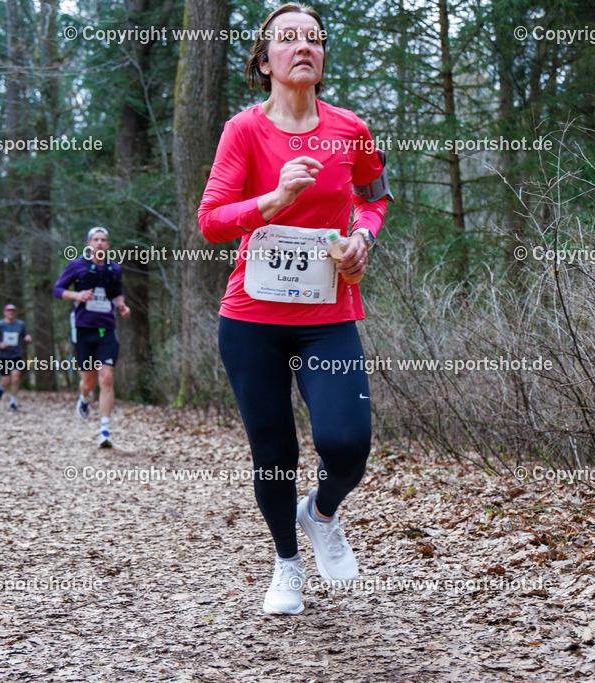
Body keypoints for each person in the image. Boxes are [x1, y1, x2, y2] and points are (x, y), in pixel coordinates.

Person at [198, 3, 391, 615]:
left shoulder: (350, 129)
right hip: (251, 321)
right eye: (288, 38)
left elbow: (374, 198)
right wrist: (273, 199)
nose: (304, 46)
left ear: (322, 56)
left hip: (327, 316)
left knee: (347, 442)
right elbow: (210, 221)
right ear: (265, 61)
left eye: (314, 38)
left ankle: (322, 514)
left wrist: (362, 238)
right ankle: (286, 564)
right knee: (274, 452)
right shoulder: (243, 130)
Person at [53, 227, 130, 447]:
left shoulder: (114, 268)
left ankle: (104, 431)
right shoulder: (77, 265)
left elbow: (117, 293)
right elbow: (57, 290)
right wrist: (77, 294)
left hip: (105, 329)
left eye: (103, 240)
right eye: (95, 239)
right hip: (83, 329)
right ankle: (85, 398)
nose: (100, 243)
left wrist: (122, 306)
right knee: (89, 381)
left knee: (106, 378)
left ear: (108, 244)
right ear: (89, 244)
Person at [0, 304, 31, 411]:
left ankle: (12, 402)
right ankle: (1, 388)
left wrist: (27, 337)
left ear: (15, 313)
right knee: (6, 380)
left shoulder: (20, 324)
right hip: (4, 356)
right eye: (9, 311)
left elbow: (25, 334)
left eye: (13, 311)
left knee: (15, 378)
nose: (11, 313)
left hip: (16, 355)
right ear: (5, 313)